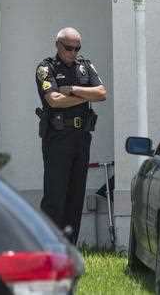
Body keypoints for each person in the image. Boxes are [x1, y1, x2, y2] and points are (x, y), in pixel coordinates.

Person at [36, 27, 106, 244]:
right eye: (69, 48)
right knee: (55, 196)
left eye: (77, 48)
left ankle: (69, 247)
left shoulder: (84, 67)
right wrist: (86, 95)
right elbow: (54, 100)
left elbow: (102, 93)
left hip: (81, 137)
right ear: (58, 45)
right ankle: (49, 246)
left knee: (76, 196)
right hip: (57, 137)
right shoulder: (46, 68)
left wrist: (73, 90)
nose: (73, 52)